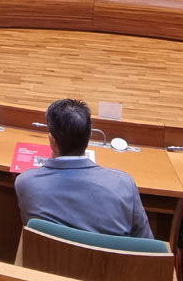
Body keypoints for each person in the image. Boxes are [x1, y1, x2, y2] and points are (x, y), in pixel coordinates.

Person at [14, 98, 152, 238]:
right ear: (89, 136)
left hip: (50, 259)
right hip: (107, 260)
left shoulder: (25, 183)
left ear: (52, 141)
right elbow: (147, 246)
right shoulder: (124, 185)